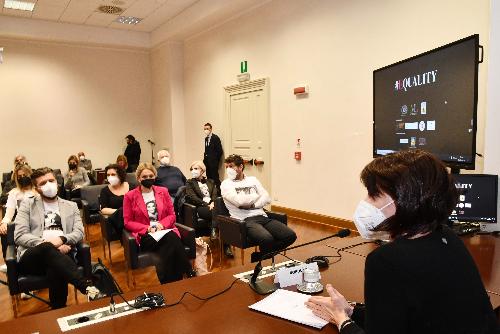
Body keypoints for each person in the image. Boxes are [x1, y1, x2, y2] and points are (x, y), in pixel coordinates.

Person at [305, 150, 499, 334]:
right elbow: (404, 316)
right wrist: (351, 311)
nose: (365, 202)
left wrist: (342, 320)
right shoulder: (446, 237)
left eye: (373, 194)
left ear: (403, 201)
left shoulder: (385, 261)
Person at [14, 167, 102, 308]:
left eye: (51, 180)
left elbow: (79, 232)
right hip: (33, 257)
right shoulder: (27, 205)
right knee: (48, 250)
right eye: (43, 183)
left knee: (56, 268)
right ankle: (86, 286)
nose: (49, 184)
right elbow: (19, 235)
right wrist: (50, 244)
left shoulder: (71, 206)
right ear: (37, 189)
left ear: (57, 182)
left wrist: (62, 239)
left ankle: (58, 310)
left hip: (63, 254)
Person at [123, 162, 195, 284]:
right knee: (171, 238)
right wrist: (147, 228)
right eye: (144, 177)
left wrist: (161, 225)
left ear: (155, 177)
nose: (148, 179)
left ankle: (168, 283)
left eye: (151, 176)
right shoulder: (130, 196)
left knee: (167, 245)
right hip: (146, 235)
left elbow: (172, 215)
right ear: (138, 178)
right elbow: (127, 222)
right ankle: (188, 270)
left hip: (164, 229)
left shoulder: (163, 191)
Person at [221, 154, 296, 261]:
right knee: (267, 239)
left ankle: (260, 256)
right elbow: (239, 202)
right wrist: (257, 195)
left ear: (241, 167)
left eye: (231, 166)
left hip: (262, 216)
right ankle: (264, 259)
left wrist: (253, 205)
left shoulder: (253, 180)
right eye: (226, 167)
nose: (228, 169)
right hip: (244, 220)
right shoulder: (226, 184)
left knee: (290, 236)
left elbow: (266, 197)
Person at [0, 164, 37, 273]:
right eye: (19, 177)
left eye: (24, 175)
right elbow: (9, 213)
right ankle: (10, 264)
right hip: (22, 223)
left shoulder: (38, 191)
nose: (22, 178)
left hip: (38, 223)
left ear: (30, 175)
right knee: (4, 232)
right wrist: (3, 223)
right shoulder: (14, 193)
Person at [185, 161, 218, 236]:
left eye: (196, 168)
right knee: (215, 211)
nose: (193, 171)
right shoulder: (189, 182)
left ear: (202, 170)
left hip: (212, 205)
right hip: (200, 206)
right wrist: (207, 204)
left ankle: (225, 238)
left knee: (221, 211)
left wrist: (213, 203)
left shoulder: (210, 181)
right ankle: (214, 230)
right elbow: (193, 197)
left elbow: (215, 194)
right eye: (192, 169)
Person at [99, 164, 129, 237]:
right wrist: (121, 212)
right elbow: (103, 209)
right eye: (108, 175)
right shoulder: (104, 191)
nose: (110, 177)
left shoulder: (131, 186)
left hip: (133, 217)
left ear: (120, 175)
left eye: (113, 174)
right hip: (117, 220)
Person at [203, 123, 223, 191]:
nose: (206, 130)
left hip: (213, 163)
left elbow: (219, 151)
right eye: (205, 129)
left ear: (211, 129)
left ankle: (219, 193)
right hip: (207, 163)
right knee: (209, 179)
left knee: (215, 178)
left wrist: (215, 161)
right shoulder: (206, 139)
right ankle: (211, 193)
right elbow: (207, 150)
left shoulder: (215, 138)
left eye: (207, 129)